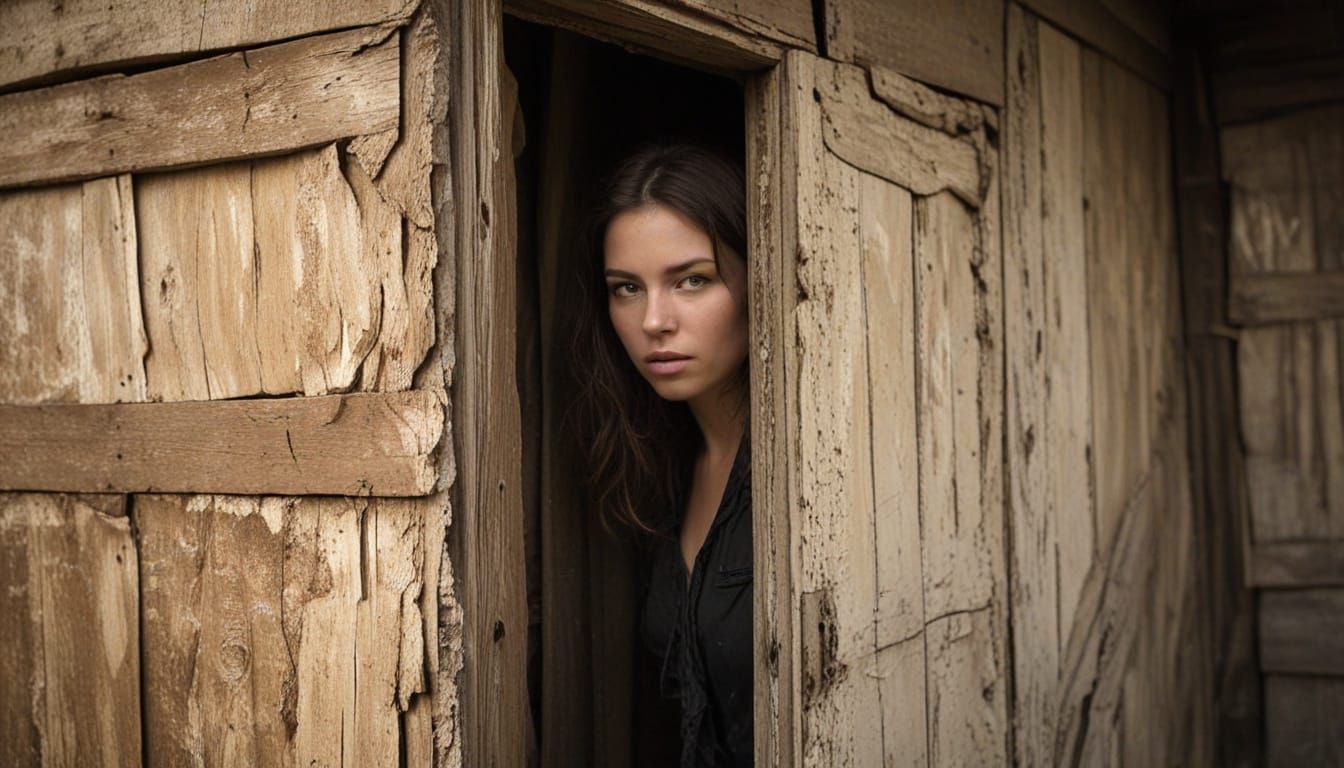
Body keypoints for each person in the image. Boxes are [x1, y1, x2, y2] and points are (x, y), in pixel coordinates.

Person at [569, 143, 753, 767]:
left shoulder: (817, 474)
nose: (653, 321)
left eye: (692, 280)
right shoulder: (662, 471)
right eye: (627, 288)